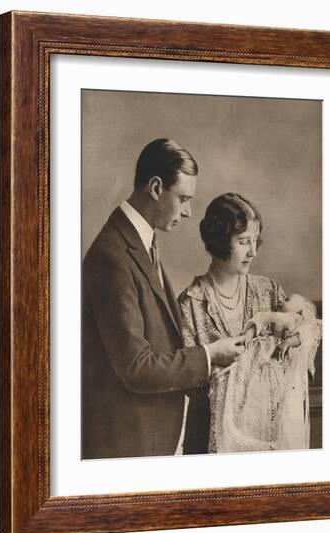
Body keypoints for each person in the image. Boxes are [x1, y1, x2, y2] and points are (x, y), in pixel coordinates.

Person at [82, 139, 244, 459]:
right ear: (156, 187)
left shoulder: (139, 243)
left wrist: (210, 366)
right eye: (183, 199)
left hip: (149, 440)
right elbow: (137, 367)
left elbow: (158, 343)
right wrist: (208, 356)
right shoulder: (111, 255)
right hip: (126, 448)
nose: (188, 212)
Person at [179, 193, 321, 454]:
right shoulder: (192, 303)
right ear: (221, 240)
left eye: (255, 241)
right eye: (244, 242)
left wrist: (298, 338)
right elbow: (185, 376)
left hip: (270, 435)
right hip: (211, 439)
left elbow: (307, 324)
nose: (253, 251)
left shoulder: (269, 291)